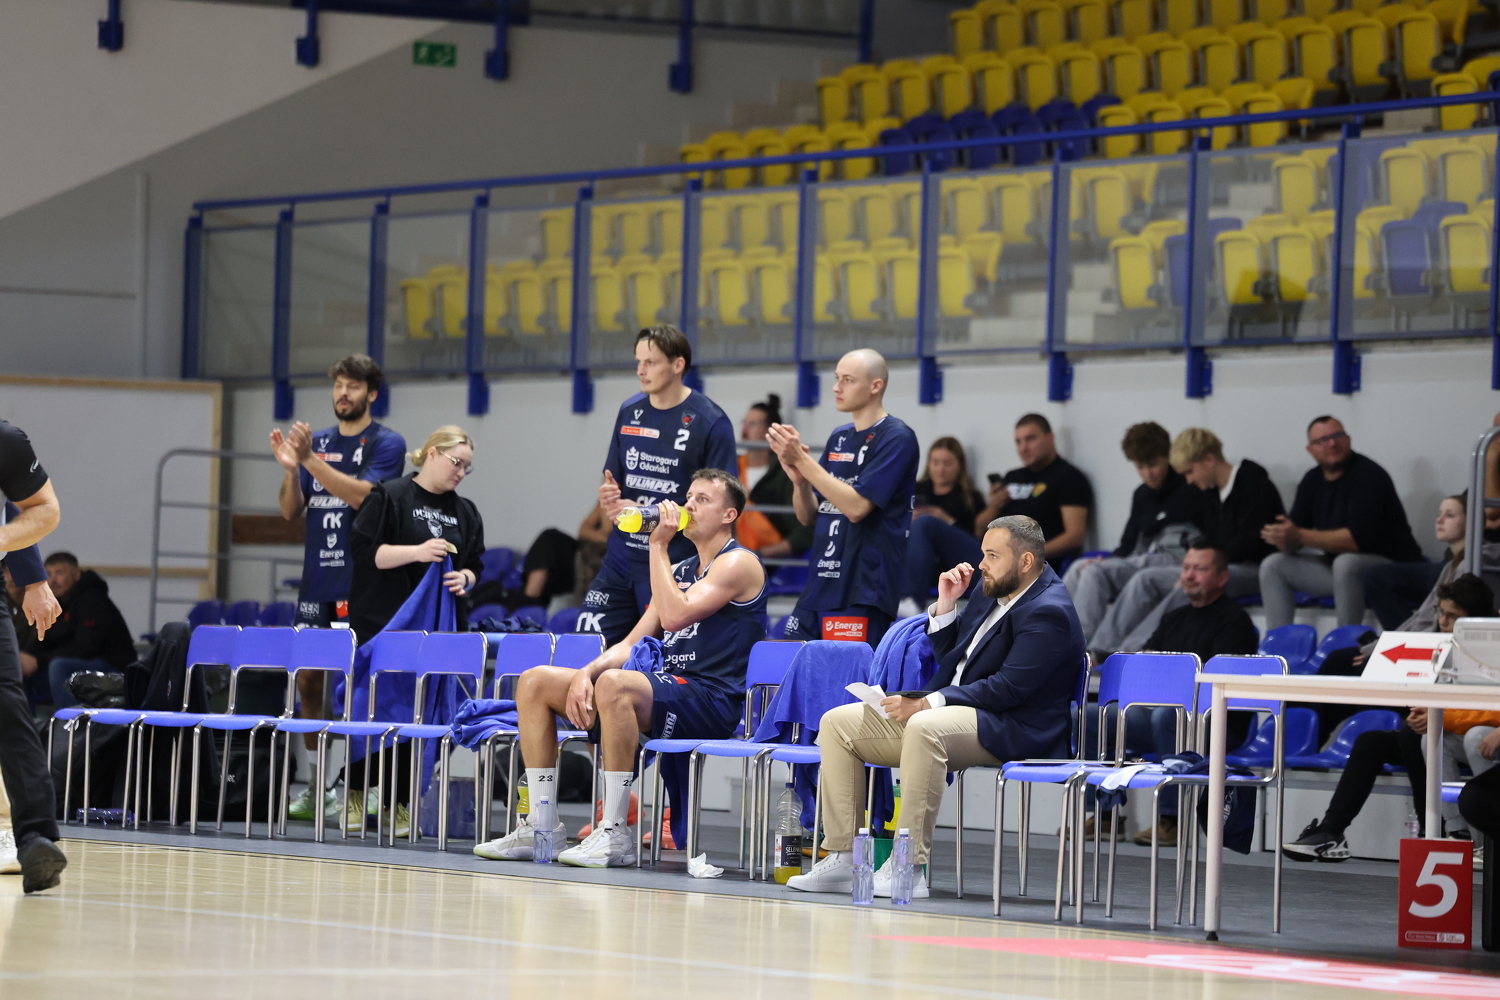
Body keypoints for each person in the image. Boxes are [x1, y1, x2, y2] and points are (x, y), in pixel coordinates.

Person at [473, 469, 766, 866]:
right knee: (535, 682)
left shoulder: (738, 562)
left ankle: (614, 832)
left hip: (711, 697)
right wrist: (585, 673)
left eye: (702, 500)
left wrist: (656, 545)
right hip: (666, 688)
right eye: (689, 497)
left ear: (729, 515)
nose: (689, 506)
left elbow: (675, 616)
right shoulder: (680, 571)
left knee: (615, 684)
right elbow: (630, 642)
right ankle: (541, 826)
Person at [787, 515, 1084, 899]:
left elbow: (1008, 689)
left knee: (925, 726)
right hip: (962, 712)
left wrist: (928, 703)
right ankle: (846, 858)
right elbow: (954, 661)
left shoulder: (1049, 610)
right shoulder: (991, 589)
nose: (982, 565)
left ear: (1026, 561)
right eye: (983, 553)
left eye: (993, 556)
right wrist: (946, 605)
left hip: (1014, 726)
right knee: (837, 723)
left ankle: (907, 868)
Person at [271, 355, 406, 823]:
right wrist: (292, 471)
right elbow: (290, 510)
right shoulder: (320, 443)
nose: (343, 393)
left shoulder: (386, 443)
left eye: (353, 386)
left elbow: (363, 497)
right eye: (338, 385)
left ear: (372, 393)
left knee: (359, 687)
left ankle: (362, 787)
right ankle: (315, 786)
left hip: (361, 583)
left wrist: (309, 460)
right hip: (317, 581)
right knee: (309, 680)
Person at [1283, 573, 1495, 862]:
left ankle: (1433, 834)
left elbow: (1488, 711)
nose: (1443, 621)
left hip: (1471, 735)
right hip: (1444, 731)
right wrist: (1421, 711)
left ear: (1475, 622)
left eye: (1453, 616)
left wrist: (1438, 718)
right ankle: (1331, 831)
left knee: (1416, 736)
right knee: (1371, 742)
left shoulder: (1489, 654)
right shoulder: (1438, 647)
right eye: (1441, 612)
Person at [344, 426, 485, 836]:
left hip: (435, 631)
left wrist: (465, 578)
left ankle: (400, 802)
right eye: (456, 462)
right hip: (383, 625)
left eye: (468, 467)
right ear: (432, 453)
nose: (461, 472)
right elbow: (365, 553)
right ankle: (355, 792)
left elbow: (475, 563)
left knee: (420, 712)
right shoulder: (389, 496)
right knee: (375, 708)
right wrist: (419, 553)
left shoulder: (465, 511)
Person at [577, 326, 737, 645]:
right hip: (621, 560)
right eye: (638, 361)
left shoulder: (710, 421)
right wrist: (609, 498)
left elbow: (715, 511)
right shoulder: (629, 411)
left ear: (677, 365)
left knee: (655, 661)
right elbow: (614, 482)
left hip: (673, 564)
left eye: (650, 362)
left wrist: (646, 514)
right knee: (584, 649)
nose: (641, 370)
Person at [768, 349, 919, 648]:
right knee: (787, 666)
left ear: (875, 386)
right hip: (819, 583)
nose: (836, 387)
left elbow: (857, 507)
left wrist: (803, 460)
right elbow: (807, 516)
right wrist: (800, 481)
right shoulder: (839, 436)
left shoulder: (897, 437)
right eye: (837, 379)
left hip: (861, 589)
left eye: (847, 380)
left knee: (845, 675)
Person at [1090, 427, 1283, 655]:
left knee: (1190, 584)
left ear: (1209, 460)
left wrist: (1194, 572)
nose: (1189, 480)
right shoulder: (1211, 494)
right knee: (1145, 579)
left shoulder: (1254, 484)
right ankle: (1100, 650)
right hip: (1219, 565)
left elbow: (1249, 544)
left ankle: (1135, 652)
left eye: (1190, 472)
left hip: (1252, 569)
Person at [1124, 544, 1260, 845]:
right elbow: (1146, 663)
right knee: (1098, 716)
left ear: (1222, 577)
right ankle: (1105, 814)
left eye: (1200, 569)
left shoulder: (1235, 621)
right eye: (1186, 568)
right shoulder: (1173, 618)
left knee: (1167, 716)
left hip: (1218, 723)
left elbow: (1216, 685)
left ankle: (1172, 820)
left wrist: (1165, 675)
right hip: (1166, 716)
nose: (1189, 575)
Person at [1259, 416, 1423, 629]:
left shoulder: (1368, 475)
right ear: (1310, 450)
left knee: (1346, 563)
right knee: (1273, 565)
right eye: (1322, 440)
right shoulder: (1312, 480)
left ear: (1348, 439)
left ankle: (1345, 640)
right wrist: (1284, 539)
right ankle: (1278, 643)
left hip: (1391, 568)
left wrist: (1298, 535)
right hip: (1341, 571)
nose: (1332, 443)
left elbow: (1356, 541)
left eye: (1337, 436)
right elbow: (1296, 535)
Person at [1062, 423, 1205, 649]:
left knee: (1098, 572)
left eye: (1153, 465)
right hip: (1145, 557)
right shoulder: (1141, 495)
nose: (1148, 474)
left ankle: (1081, 649)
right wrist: (1107, 561)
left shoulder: (1189, 486)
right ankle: (1057, 640)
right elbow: (1128, 544)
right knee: (1082, 568)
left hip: (1176, 559)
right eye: (1140, 467)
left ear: (1168, 457)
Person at [0, 419, 68, 892]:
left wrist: (32, 575)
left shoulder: (5, 441)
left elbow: (33, 506)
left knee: (7, 705)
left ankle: (35, 839)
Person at [16, 553, 134, 710]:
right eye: (48, 574)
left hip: (113, 669)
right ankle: (23, 724)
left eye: (60, 573)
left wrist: (38, 661)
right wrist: (27, 659)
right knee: (21, 671)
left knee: (59, 666)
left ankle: (70, 723)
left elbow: (86, 648)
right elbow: (46, 641)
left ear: (76, 575)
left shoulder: (91, 599)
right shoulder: (56, 602)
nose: (52, 581)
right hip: (83, 666)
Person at [977, 414, 1092, 572]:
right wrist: (994, 506)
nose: (1023, 448)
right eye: (1018, 442)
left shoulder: (1069, 477)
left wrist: (1027, 556)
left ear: (1050, 437)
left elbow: (1074, 536)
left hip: (1034, 565)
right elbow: (979, 529)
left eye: (1030, 439)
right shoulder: (1012, 476)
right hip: (994, 557)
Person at [901, 436, 986, 616]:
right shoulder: (914, 491)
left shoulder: (970, 498)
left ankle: (913, 600)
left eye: (947, 463)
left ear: (959, 466)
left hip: (962, 563)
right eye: (936, 462)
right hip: (924, 564)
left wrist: (946, 520)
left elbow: (976, 541)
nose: (940, 469)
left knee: (926, 523)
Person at [1364, 493, 1475, 630]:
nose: (1439, 520)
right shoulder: (1448, 560)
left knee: (1377, 576)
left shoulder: (1474, 561)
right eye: (1439, 514)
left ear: (1471, 520)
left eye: (1450, 515)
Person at [734, 395, 812, 560]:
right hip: (732, 556)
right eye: (744, 422)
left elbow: (805, 529)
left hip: (774, 562)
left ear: (770, 432)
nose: (745, 430)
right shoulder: (732, 466)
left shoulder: (785, 473)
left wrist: (763, 554)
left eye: (753, 424)